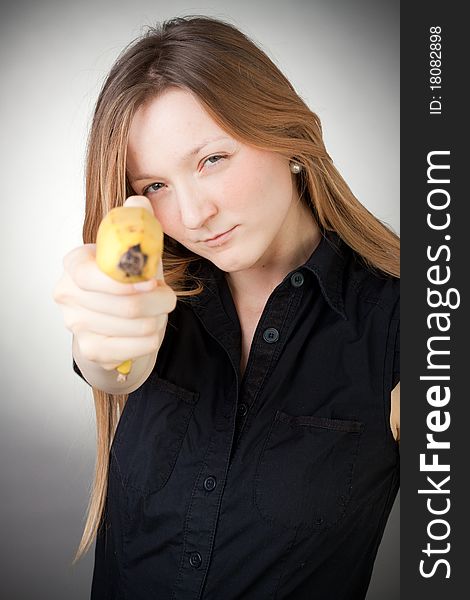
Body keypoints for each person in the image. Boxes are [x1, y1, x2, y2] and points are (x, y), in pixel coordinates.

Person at [52, 14, 400, 600]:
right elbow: (114, 364)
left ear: (289, 139)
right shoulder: (154, 292)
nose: (192, 216)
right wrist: (101, 345)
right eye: (155, 186)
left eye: (212, 159)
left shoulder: (407, 324)